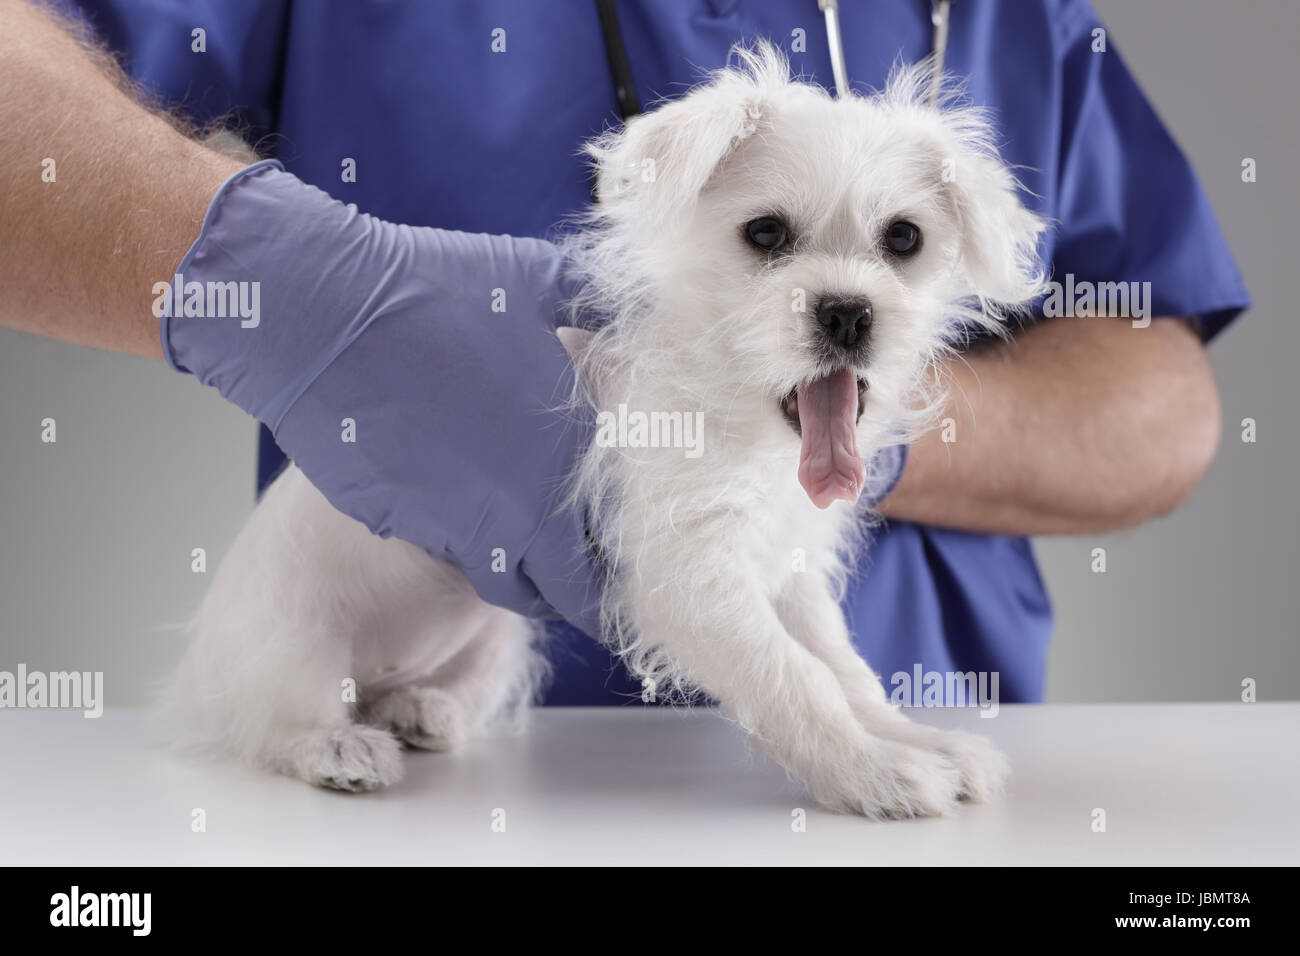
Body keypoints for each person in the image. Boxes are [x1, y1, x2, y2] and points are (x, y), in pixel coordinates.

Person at [0, 0, 1247, 705]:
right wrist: (302, 292)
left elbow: (1161, 394)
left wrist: (800, 437)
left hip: (928, 772)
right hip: (423, 763)